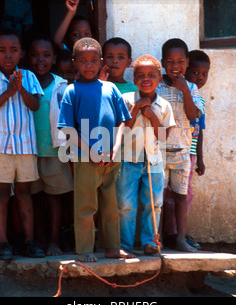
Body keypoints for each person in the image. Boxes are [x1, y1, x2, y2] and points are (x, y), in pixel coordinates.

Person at [57, 37, 133, 262]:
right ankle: (85, 250)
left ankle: (112, 247)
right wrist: (90, 152)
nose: (88, 65)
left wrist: (116, 148)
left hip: (111, 157)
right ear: (75, 63)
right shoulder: (72, 91)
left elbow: (122, 122)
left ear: (101, 62)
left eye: (93, 60)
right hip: (85, 157)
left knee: (111, 205)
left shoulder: (110, 88)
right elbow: (68, 129)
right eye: (83, 61)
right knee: (86, 206)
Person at [0, 29, 45, 260]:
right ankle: (3, 242)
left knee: (24, 193)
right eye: (2, 50)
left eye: (13, 50)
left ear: (21, 53)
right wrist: (8, 92)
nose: (8, 55)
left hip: (25, 146)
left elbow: (34, 106)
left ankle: (29, 241)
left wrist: (20, 88)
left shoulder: (29, 77)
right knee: (1, 194)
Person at [117, 55, 175, 256]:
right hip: (128, 161)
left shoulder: (164, 106)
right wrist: (137, 107)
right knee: (126, 205)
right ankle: (124, 244)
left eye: (151, 75)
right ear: (134, 80)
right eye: (140, 75)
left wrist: (152, 115)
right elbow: (123, 130)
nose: (146, 79)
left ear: (159, 78)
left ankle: (150, 241)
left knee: (154, 203)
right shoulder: (126, 100)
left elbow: (163, 136)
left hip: (154, 162)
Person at [26, 36, 74, 256]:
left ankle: (54, 240)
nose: (40, 59)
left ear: (54, 58)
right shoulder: (24, 82)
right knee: (34, 198)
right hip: (27, 151)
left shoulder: (60, 85)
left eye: (46, 55)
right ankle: (39, 239)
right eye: (35, 55)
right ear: (28, 57)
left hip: (55, 150)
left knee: (55, 197)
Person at [156, 38, 204, 252]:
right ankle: (155, 239)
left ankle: (180, 239)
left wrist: (184, 89)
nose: (176, 67)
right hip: (158, 151)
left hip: (183, 152)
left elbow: (194, 116)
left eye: (181, 62)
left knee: (180, 196)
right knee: (157, 197)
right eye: (171, 62)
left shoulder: (192, 87)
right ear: (163, 63)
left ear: (187, 62)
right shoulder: (156, 86)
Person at [181, 49, 211, 249]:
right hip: (175, 151)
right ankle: (172, 232)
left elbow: (199, 131)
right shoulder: (181, 94)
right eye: (195, 73)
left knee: (185, 193)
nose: (200, 77)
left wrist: (199, 158)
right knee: (171, 193)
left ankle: (180, 232)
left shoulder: (199, 100)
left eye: (204, 74)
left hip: (190, 155)